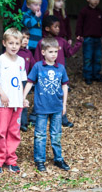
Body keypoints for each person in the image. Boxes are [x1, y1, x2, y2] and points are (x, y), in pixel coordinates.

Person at [23, 37, 70, 172]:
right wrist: (23, 97)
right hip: (42, 107)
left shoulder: (60, 68)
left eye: (56, 52)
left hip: (56, 107)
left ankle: (58, 159)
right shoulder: (38, 66)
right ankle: (40, 160)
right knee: (40, 135)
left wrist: (64, 105)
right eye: (50, 52)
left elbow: (65, 86)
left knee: (56, 134)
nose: (54, 54)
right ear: (43, 52)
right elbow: (30, 82)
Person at [33, 15, 83, 127]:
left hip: (58, 75)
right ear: (47, 29)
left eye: (58, 26)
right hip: (44, 76)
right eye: (55, 27)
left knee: (59, 95)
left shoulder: (62, 41)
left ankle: (62, 119)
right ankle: (34, 117)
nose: (58, 29)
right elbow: (37, 60)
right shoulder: (42, 42)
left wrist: (78, 43)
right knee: (42, 95)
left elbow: (69, 53)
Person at [0, 28, 27, 173]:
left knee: (14, 132)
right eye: (11, 43)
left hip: (17, 104)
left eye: (17, 43)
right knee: (1, 131)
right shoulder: (0, 60)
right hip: (3, 103)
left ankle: (10, 160)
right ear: (4, 43)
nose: (14, 46)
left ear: (21, 44)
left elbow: (22, 82)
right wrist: (2, 94)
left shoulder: (22, 61)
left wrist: (23, 99)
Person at [75, 0, 102, 85]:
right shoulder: (84, 11)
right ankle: (88, 76)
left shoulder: (100, 12)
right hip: (88, 38)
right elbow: (79, 24)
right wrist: (79, 35)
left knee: (97, 58)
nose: (96, 0)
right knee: (88, 58)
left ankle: (96, 75)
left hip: (98, 39)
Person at [17, 27, 36, 132]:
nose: (25, 40)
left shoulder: (28, 53)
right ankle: (14, 121)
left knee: (23, 100)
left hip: (25, 81)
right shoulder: (15, 52)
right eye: (23, 37)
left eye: (27, 38)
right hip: (14, 80)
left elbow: (34, 66)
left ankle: (23, 123)